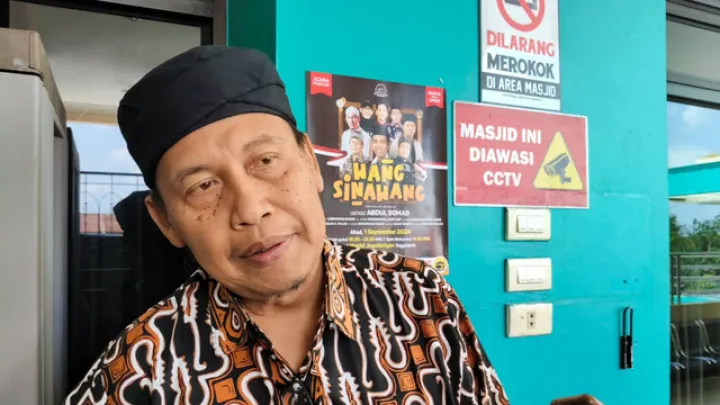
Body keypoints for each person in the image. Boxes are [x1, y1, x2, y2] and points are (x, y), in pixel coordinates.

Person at [63, 45, 510, 405]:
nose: (250, 209)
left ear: (311, 163)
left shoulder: (421, 301)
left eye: (265, 161)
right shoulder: (138, 371)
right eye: (203, 186)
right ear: (166, 222)